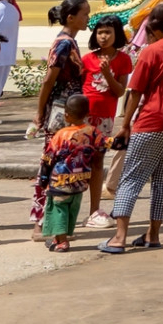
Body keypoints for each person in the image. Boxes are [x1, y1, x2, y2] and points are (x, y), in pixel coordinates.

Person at [100, 2, 163, 254]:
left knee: (131, 178)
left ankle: (119, 237)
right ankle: (153, 234)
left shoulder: (151, 51)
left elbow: (135, 91)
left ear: (153, 24)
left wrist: (125, 124)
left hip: (151, 120)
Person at [81, 12, 134, 221]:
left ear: (116, 34)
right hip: (83, 118)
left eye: (108, 32)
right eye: (100, 32)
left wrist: (107, 74)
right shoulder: (87, 58)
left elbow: (120, 91)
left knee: (97, 162)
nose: (103, 36)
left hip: (104, 119)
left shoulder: (123, 60)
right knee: (78, 162)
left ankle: (94, 210)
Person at [39, 94, 103, 251]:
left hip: (60, 181)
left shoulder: (61, 134)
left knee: (58, 209)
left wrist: (44, 178)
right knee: (72, 209)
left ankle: (62, 241)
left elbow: (48, 158)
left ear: (66, 115)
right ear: (88, 113)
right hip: (80, 181)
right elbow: (100, 153)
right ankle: (57, 238)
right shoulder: (93, 132)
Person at [31, 0, 91, 137]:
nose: (88, 18)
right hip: (61, 106)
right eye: (85, 14)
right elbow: (48, 80)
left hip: (70, 106)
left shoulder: (70, 42)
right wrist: (40, 112)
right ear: (71, 18)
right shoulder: (64, 44)